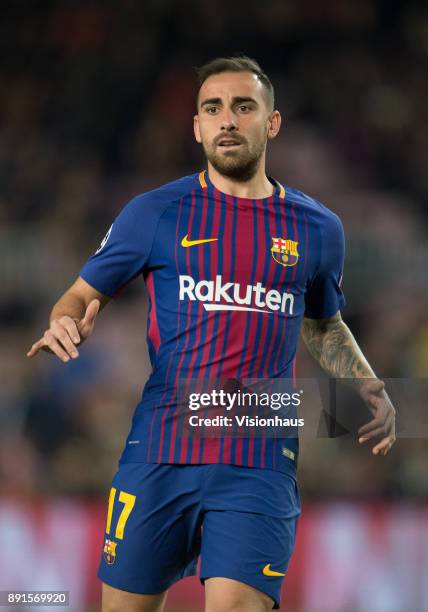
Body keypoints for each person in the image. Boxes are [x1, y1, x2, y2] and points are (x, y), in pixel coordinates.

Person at [27, 56, 396, 612]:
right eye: (212, 108)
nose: (227, 119)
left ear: (271, 123)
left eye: (243, 107)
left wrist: (367, 385)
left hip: (260, 460)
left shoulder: (319, 228)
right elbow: (81, 294)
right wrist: (65, 316)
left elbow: (322, 323)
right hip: (160, 451)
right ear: (197, 126)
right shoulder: (154, 213)